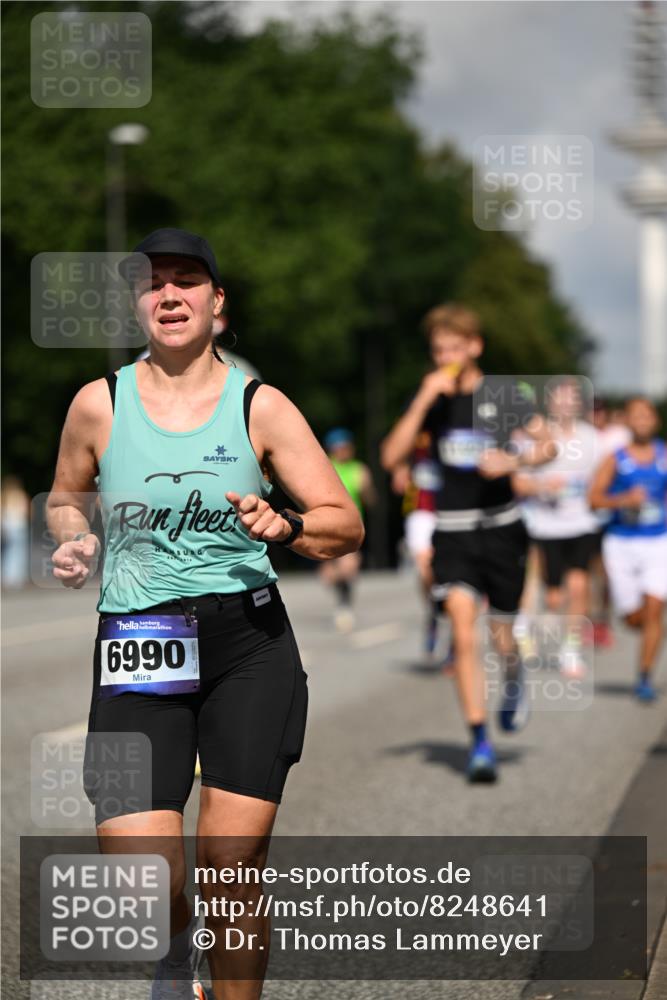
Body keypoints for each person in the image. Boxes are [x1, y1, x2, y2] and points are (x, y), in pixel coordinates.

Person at [46, 228, 364, 1000]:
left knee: (230, 866)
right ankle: (179, 943)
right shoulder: (100, 402)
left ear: (216, 303)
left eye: (187, 281)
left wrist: (283, 525)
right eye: (153, 283)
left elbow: (343, 522)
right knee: (140, 880)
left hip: (245, 642)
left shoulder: (261, 406)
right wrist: (75, 538)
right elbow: (63, 495)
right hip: (140, 638)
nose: (169, 294)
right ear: (137, 304)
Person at [381, 304, 555, 782]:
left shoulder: (501, 393)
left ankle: (515, 678)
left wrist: (514, 462)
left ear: (475, 347)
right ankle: (479, 739)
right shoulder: (431, 397)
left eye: (455, 349)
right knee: (462, 627)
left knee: (502, 633)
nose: (447, 358)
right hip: (452, 529)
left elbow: (547, 446)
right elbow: (390, 455)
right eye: (439, 351)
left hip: (501, 526)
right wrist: (421, 400)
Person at [513, 377, 600, 677]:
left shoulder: (591, 438)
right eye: (559, 397)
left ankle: (570, 650)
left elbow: (602, 479)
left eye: (571, 398)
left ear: (579, 403)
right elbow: (517, 481)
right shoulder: (533, 436)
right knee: (549, 594)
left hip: (581, 523)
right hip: (542, 525)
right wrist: (541, 486)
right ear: (549, 402)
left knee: (578, 587)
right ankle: (525, 627)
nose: (565, 403)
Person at [589, 396, 667, 702]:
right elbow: (593, 499)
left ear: (656, 421)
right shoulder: (615, 458)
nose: (642, 422)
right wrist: (623, 500)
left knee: (654, 612)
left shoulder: (664, 455)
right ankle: (645, 625)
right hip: (620, 542)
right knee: (634, 618)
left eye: (647, 416)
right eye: (636, 416)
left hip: (658, 541)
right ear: (627, 422)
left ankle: (645, 676)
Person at [319, 428, 375, 631]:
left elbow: (370, 501)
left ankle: (345, 606)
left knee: (348, 568)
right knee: (329, 576)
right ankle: (341, 598)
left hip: (350, 528)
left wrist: (366, 489)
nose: (343, 451)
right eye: (339, 448)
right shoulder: (326, 469)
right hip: (326, 527)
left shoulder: (359, 469)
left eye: (346, 447)